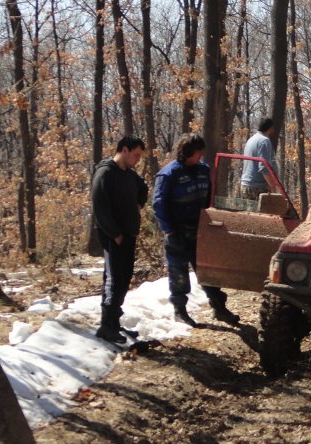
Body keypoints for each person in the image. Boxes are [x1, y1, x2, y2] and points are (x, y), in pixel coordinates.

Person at [154, 133, 240, 326]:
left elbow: (209, 198)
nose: (200, 155)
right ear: (186, 152)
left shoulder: (203, 170)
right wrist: (170, 231)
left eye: (202, 152)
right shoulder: (169, 174)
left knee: (209, 272)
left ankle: (220, 308)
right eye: (197, 152)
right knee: (179, 274)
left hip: (201, 232)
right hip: (177, 233)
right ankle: (180, 311)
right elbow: (159, 204)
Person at [91, 135, 148, 344]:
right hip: (112, 236)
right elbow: (100, 207)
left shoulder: (129, 175)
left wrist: (139, 204)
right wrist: (114, 233)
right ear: (124, 150)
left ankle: (115, 322)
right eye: (135, 155)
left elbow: (143, 188)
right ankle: (106, 325)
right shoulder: (105, 173)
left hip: (129, 234)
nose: (137, 160)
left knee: (124, 279)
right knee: (113, 280)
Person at [241, 117, 280, 198]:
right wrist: (272, 186)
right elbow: (263, 167)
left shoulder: (251, 139)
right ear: (270, 128)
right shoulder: (264, 141)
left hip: (246, 185)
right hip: (257, 188)